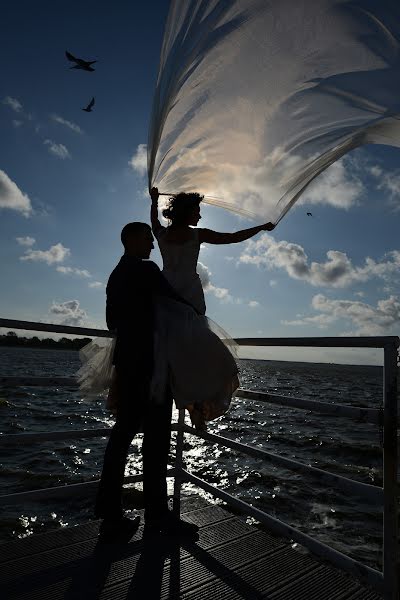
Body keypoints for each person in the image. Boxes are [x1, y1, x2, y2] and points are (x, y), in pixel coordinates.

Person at [94, 222, 199, 541]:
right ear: (132, 240)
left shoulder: (115, 275)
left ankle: (110, 514)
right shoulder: (147, 270)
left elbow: (112, 321)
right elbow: (179, 304)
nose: (153, 245)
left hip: (127, 364)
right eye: (148, 239)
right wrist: (198, 316)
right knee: (156, 442)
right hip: (152, 365)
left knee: (121, 438)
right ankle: (158, 516)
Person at [150, 187, 275, 316]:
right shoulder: (199, 234)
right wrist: (261, 228)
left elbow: (154, 220)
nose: (200, 216)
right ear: (187, 213)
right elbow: (233, 237)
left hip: (166, 285)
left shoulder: (161, 234)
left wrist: (154, 201)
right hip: (189, 288)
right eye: (196, 212)